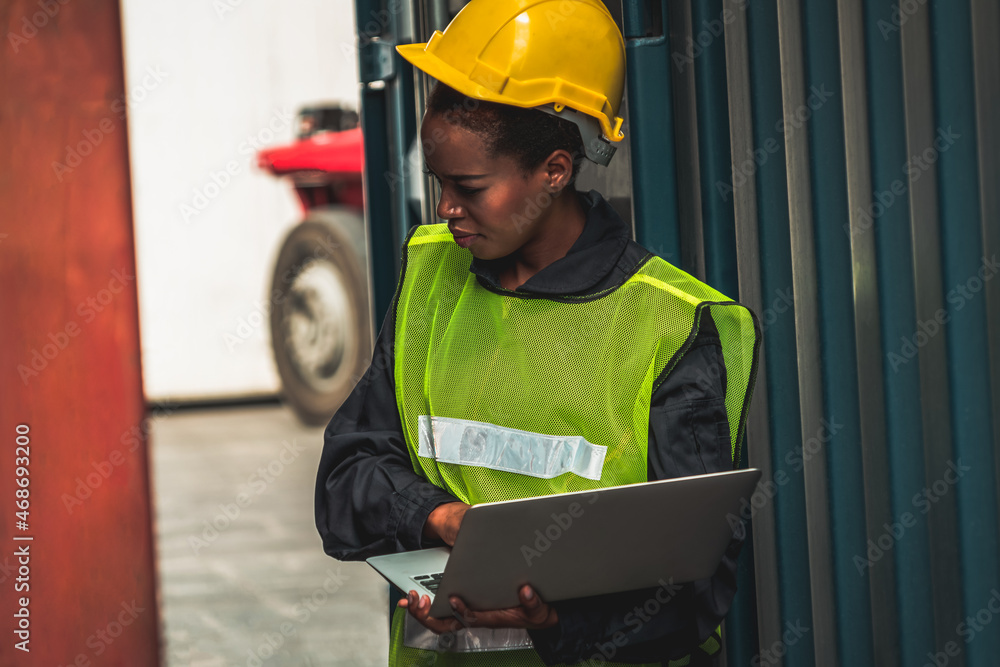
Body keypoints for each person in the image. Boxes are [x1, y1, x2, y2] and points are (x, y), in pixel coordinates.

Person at [314, 1, 761, 665]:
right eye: (439, 183)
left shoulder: (670, 324)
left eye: (469, 186)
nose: (445, 209)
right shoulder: (430, 278)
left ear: (554, 171)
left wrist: (558, 622)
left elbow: (692, 585)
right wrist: (438, 515)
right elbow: (345, 479)